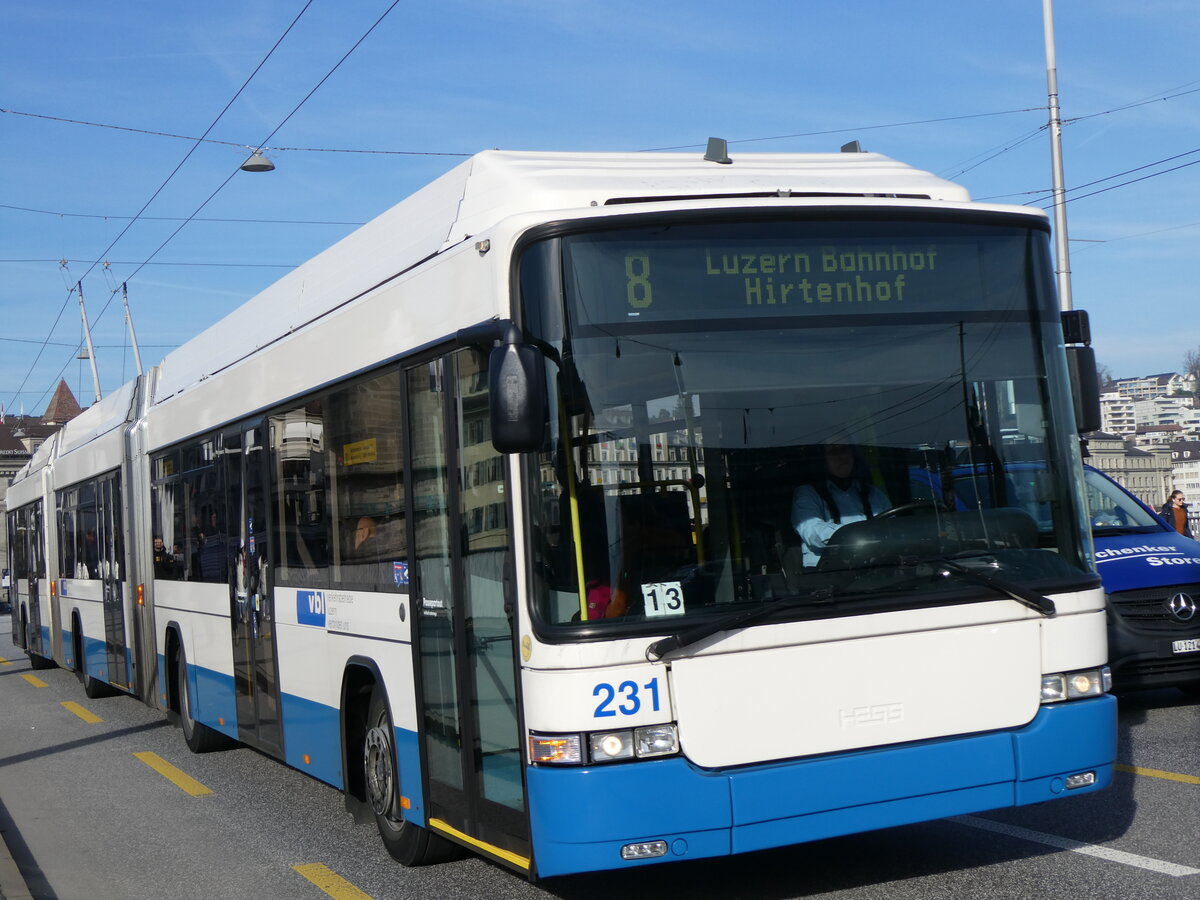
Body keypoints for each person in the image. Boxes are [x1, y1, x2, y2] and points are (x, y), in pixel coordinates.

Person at [791, 441, 890, 568]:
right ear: (821, 458)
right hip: (829, 574)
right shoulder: (807, 494)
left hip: (879, 567)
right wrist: (856, 536)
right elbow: (811, 530)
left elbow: (892, 529)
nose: (841, 456)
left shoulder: (874, 493)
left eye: (845, 449)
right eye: (833, 451)